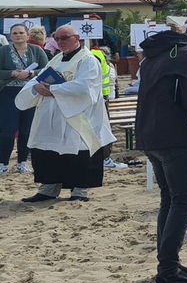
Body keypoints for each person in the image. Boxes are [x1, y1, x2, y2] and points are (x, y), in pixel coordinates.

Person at [128, 17, 187, 283]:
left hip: (150, 135)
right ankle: (168, 268)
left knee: (170, 198)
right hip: (174, 136)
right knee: (183, 199)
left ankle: (168, 262)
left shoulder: (157, 53)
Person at [15, 24, 115, 203]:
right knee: (47, 150)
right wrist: (36, 87)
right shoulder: (56, 59)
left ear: (77, 38)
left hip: (77, 115)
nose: (60, 42)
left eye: (65, 38)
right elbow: (40, 78)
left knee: (79, 152)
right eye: (57, 38)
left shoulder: (88, 60)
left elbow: (85, 87)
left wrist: (53, 89)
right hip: (52, 114)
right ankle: (49, 187)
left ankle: (79, 190)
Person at [1, 23, 50, 176]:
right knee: (7, 130)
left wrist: (30, 73)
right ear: (10, 36)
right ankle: (3, 162)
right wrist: (12, 73)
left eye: (21, 32)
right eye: (15, 33)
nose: (18, 35)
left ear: (28, 35)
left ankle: (22, 162)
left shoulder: (37, 50)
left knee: (27, 129)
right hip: (8, 92)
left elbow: (46, 69)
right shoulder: (3, 51)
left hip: (31, 92)